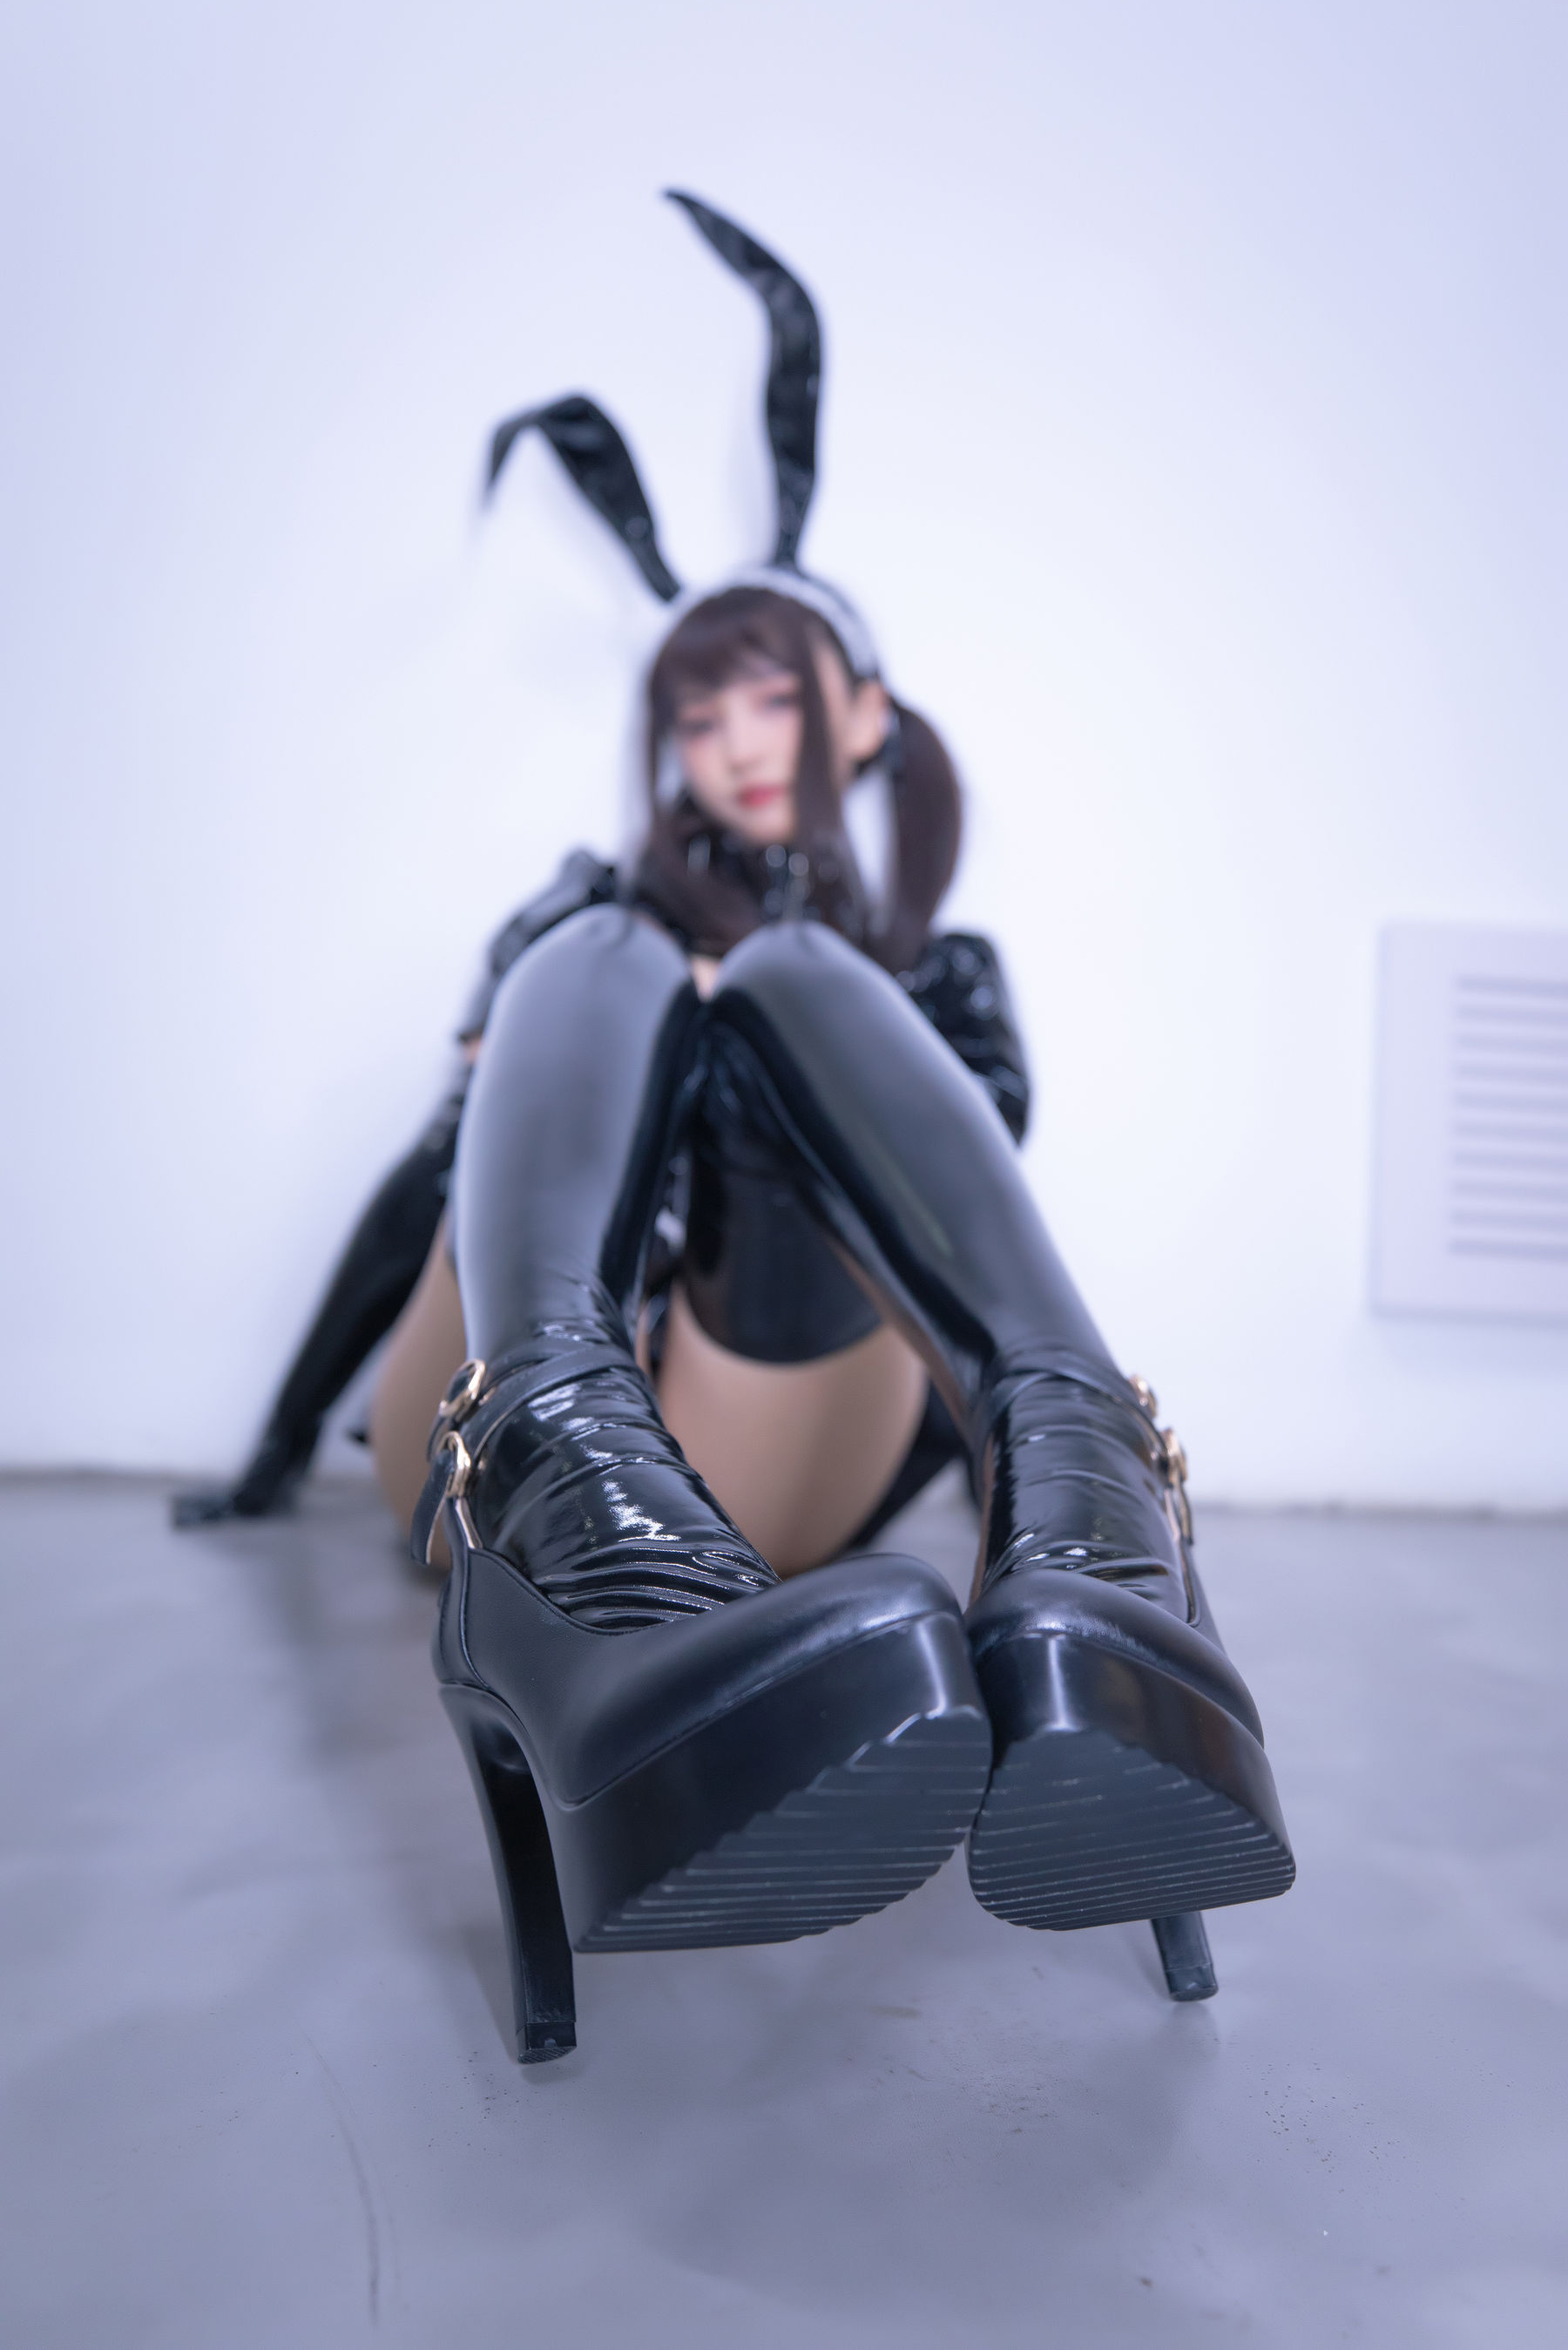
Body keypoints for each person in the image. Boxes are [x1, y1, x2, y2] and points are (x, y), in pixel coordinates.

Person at [177, 195, 1293, 2060]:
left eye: (773, 694)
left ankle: (1084, 1491)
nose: (737, 741)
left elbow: (943, 1249)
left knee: (792, 983)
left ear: (866, 713)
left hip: (768, 1433)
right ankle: (568, 1458)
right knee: (599, 938)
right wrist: (276, 1441)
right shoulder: (586, 929)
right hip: (493, 1451)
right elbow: (426, 1185)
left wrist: (768, 995)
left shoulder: (941, 978)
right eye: (698, 717)